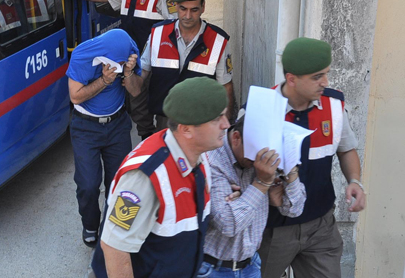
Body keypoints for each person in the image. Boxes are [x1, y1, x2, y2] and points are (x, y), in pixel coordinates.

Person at [98, 77, 230, 278]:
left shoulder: (199, 156)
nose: (226, 124)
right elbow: (114, 247)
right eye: (216, 119)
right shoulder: (144, 178)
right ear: (186, 129)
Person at [257, 37, 367, 278]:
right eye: (317, 77)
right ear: (292, 79)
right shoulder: (260, 109)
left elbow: (346, 148)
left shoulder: (334, 105)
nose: (325, 82)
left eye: (326, 74)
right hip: (272, 229)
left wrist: (355, 181)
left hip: (321, 226)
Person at [61, 0, 176, 140]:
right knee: (138, 110)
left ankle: (159, 148)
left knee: (158, 109)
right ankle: (146, 143)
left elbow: (174, 28)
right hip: (131, 64)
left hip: (153, 65)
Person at [198, 116, 306, 277]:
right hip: (213, 268)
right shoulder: (213, 160)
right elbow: (228, 224)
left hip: (251, 265)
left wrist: (290, 167)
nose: (259, 162)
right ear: (236, 138)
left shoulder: (264, 157)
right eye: (255, 154)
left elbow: (294, 209)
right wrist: (262, 183)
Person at [66, 29, 141, 248]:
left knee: (121, 183)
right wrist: (104, 81)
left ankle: (115, 231)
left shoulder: (130, 50)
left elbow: (136, 92)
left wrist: (127, 72)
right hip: (85, 127)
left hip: (117, 124)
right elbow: (75, 96)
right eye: (115, 63)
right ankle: (90, 225)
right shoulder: (81, 55)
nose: (117, 66)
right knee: (88, 184)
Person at [138, 0, 236, 131]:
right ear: (176, 6)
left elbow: (226, 87)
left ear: (203, 7)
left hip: (202, 122)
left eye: (194, 10)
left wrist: (225, 127)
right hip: (165, 122)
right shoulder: (157, 33)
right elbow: (140, 79)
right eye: (183, 9)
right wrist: (129, 74)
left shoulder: (218, 40)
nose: (188, 16)